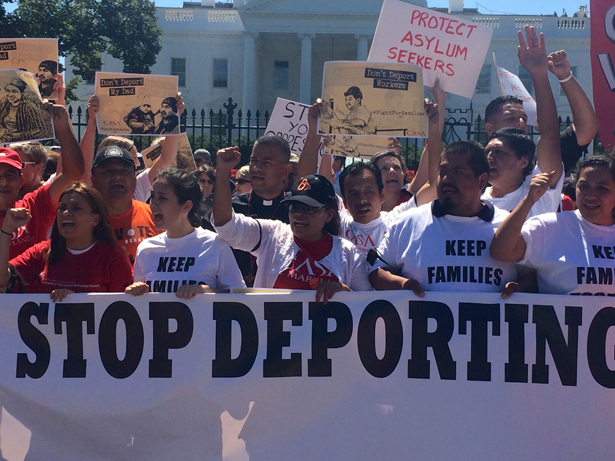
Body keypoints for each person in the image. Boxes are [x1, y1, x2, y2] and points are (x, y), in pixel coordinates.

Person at [213, 147, 371, 301]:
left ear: (328, 215)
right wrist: (222, 171)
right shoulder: (272, 234)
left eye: (309, 208)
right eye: (294, 207)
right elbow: (225, 226)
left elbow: (368, 304)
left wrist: (345, 292)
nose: (299, 215)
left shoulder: (349, 253)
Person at [369, 140, 518, 296]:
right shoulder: (408, 222)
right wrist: (403, 285)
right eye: (443, 171)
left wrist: (519, 288)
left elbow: (532, 273)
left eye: (458, 172)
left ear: (481, 180)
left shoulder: (507, 225)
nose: (446, 179)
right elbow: (376, 270)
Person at [490, 156, 615, 296]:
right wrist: (528, 200)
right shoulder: (550, 226)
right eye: (584, 187)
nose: (590, 196)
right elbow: (500, 251)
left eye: (602, 189)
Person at [482, 26, 564, 219]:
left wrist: (539, 74)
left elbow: (550, 135)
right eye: (489, 152)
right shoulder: (472, 199)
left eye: (500, 153)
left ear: (524, 161)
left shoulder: (539, 191)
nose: (491, 158)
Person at [0, 183, 133, 300]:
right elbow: (2, 279)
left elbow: (123, 307)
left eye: (76, 208)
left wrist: (76, 302)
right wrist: (7, 229)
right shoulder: (43, 251)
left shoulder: (113, 258)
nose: (66, 213)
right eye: (62, 207)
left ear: (95, 220)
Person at [125, 168, 244, 298]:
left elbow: (240, 297)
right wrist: (136, 291)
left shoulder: (215, 245)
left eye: (162, 198)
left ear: (186, 206)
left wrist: (206, 291)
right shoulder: (146, 248)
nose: (153, 204)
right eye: (152, 196)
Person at [484, 47, 598, 176]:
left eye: (525, 118)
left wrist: (565, 77)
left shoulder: (547, 155)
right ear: (489, 128)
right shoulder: (476, 166)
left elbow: (586, 129)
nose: (521, 123)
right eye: (511, 118)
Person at [204, 135, 291, 286]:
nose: (257, 167)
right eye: (254, 161)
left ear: (285, 170)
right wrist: (223, 170)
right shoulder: (231, 207)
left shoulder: (296, 210)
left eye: (266, 162)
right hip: (232, 300)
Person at [0, 104, 84, 260]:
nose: (3, 183)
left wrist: (63, 127)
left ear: (20, 181)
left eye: (10, 175)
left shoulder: (34, 205)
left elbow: (73, 174)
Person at [81, 94, 183, 202]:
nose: (138, 163)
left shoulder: (138, 184)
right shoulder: (92, 187)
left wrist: (176, 116)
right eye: (133, 158)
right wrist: (92, 121)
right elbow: (83, 170)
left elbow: (166, 160)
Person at [90, 145, 162, 264]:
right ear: (93, 178)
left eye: (125, 171)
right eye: (108, 171)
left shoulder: (155, 216)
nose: (117, 176)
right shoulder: (81, 219)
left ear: (134, 178)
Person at [0, 77, 54, 143]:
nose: (10, 94)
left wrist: (18, 135)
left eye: (14, 91)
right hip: (5, 145)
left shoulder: (29, 106)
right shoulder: (3, 105)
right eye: (8, 91)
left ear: (21, 93)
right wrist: (1, 130)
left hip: (24, 146)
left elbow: (42, 130)